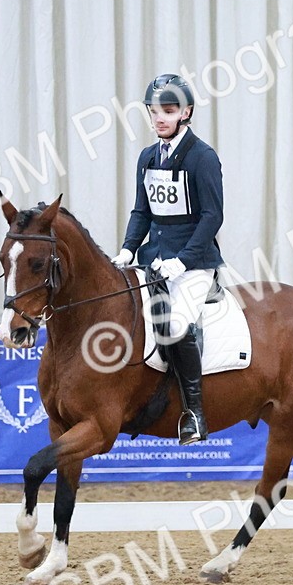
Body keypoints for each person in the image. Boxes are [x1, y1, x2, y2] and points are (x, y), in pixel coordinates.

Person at [111, 74, 224, 444]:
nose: (160, 118)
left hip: (194, 264)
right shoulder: (147, 157)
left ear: (186, 112)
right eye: (154, 111)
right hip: (153, 260)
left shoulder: (202, 157)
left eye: (169, 110)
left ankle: (194, 412)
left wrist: (185, 260)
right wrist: (129, 247)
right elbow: (142, 211)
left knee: (175, 326)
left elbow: (212, 216)